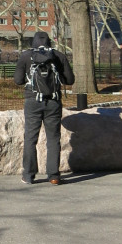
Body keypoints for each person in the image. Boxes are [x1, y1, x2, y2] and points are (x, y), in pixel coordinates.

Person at [14, 30, 75, 185]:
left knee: (30, 138)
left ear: (33, 42)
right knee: (53, 138)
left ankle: (28, 175)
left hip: (32, 101)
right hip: (53, 102)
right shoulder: (59, 56)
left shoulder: (26, 56)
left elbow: (18, 81)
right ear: (49, 42)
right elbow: (70, 80)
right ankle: (54, 175)